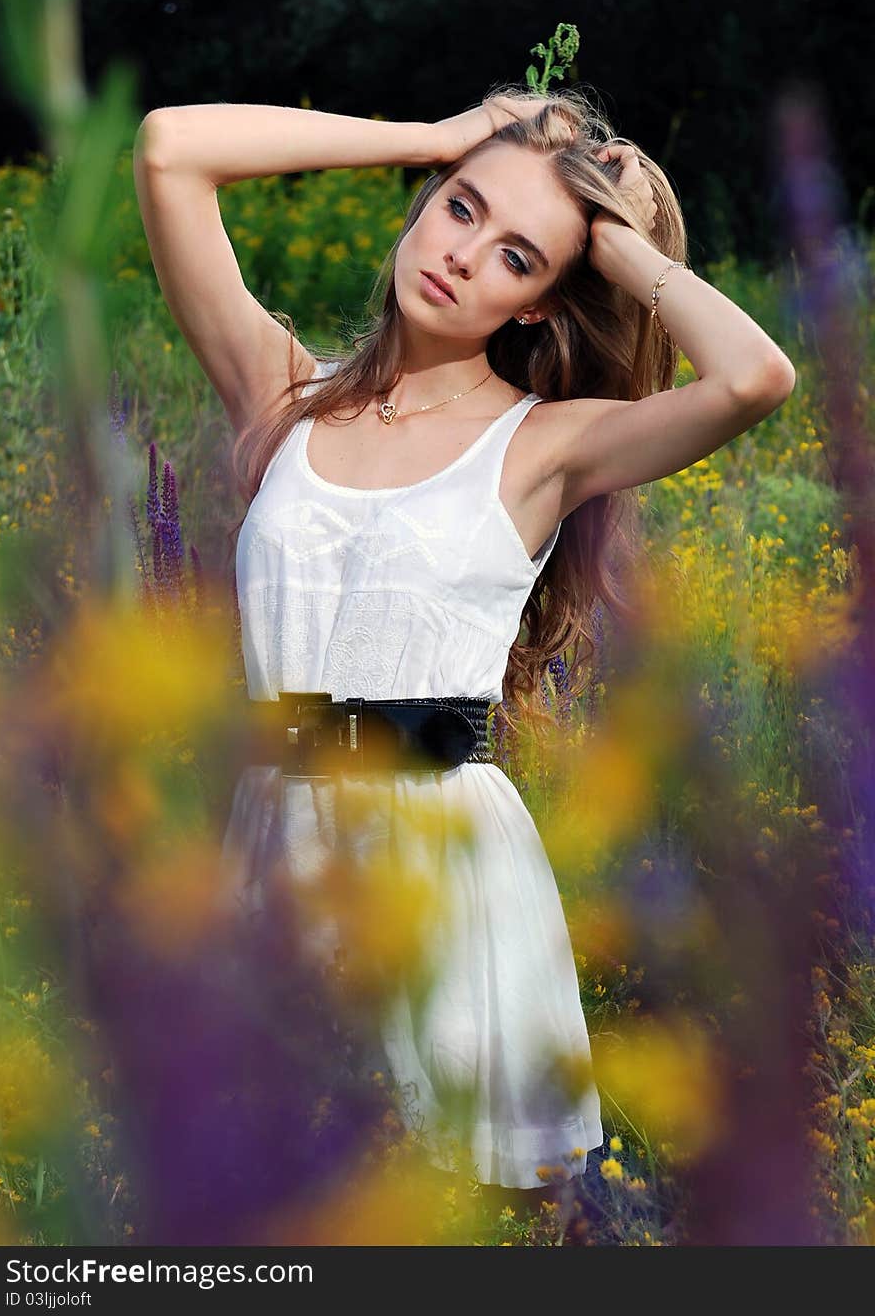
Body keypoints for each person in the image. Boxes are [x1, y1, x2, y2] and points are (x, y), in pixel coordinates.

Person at [133, 86, 795, 1228]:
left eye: (515, 255)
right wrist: (436, 137)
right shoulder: (281, 399)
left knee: (446, 1223)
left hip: (444, 863)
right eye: (457, 208)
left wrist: (611, 239)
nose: (459, 255)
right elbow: (167, 148)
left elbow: (754, 378)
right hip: (272, 841)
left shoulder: (543, 446)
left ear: (541, 305)